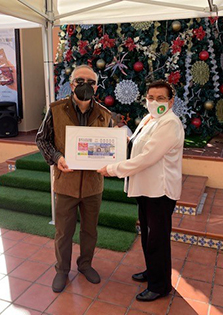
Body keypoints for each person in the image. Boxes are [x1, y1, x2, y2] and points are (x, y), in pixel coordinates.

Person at [98, 80, 184, 302]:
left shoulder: (170, 124)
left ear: (171, 101)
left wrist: (112, 169)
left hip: (160, 191)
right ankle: (152, 271)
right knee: (147, 235)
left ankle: (160, 285)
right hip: (145, 188)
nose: (155, 102)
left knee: (158, 239)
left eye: (161, 98)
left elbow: (147, 158)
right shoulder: (149, 119)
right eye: (151, 98)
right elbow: (135, 145)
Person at [36, 65, 112, 293]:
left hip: (92, 186)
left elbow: (109, 147)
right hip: (65, 183)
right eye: (80, 81)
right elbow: (42, 140)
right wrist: (57, 157)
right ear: (71, 84)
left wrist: (112, 160)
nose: (85, 85)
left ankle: (85, 265)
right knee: (63, 232)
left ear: (97, 87)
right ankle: (61, 270)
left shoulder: (104, 115)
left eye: (91, 82)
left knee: (90, 230)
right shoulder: (56, 110)